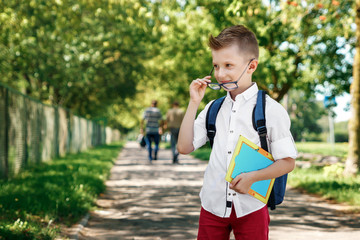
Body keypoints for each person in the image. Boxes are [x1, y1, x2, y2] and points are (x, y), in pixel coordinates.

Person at [177, 25, 297, 240]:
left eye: (228, 65)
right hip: (212, 206)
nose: (220, 74)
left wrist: (254, 177)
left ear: (251, 66)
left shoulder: (271, 110)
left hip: (251, 206)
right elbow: (184, 147)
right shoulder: (213, 108)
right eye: (216, 66)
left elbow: (287, 162)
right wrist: (194, 103)